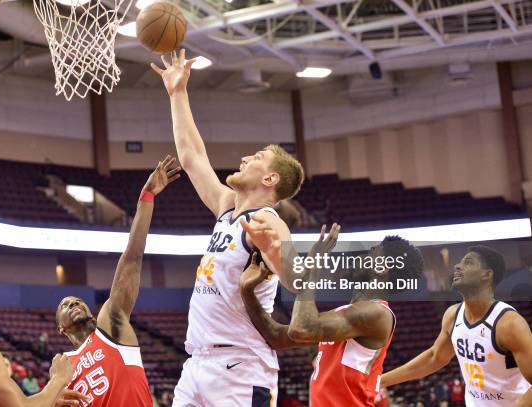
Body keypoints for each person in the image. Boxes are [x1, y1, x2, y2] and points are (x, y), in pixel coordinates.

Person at [151, 49, 305, 406]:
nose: (244, 159)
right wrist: (177, 93)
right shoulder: (226, 209)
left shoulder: (268, 220)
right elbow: (192, 157)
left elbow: (297, 280)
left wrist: (277, 252)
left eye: (256, 158)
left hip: (241, 365)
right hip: (197, 364)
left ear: (270, 178)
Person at [239, 224, 424, 407]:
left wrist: (313, 265)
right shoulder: (349, 316)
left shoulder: (376, 314)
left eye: (373, 252)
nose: (362, 255)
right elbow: (276, 337)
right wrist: (247, 291)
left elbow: (300, 329)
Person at [55, 156, 181, 407]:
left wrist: (146, 199)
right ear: (61, 328)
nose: (73, 304)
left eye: (77, 301)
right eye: (65, 305)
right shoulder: (61, 367)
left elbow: (132, 258)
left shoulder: (109, 325)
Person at [381, 246, 532, 406]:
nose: (457, 266)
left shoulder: (509, 324)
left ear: (487, 275)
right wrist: (379, 381)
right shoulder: (452, 315)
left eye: (468, 262)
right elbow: (434, 358)